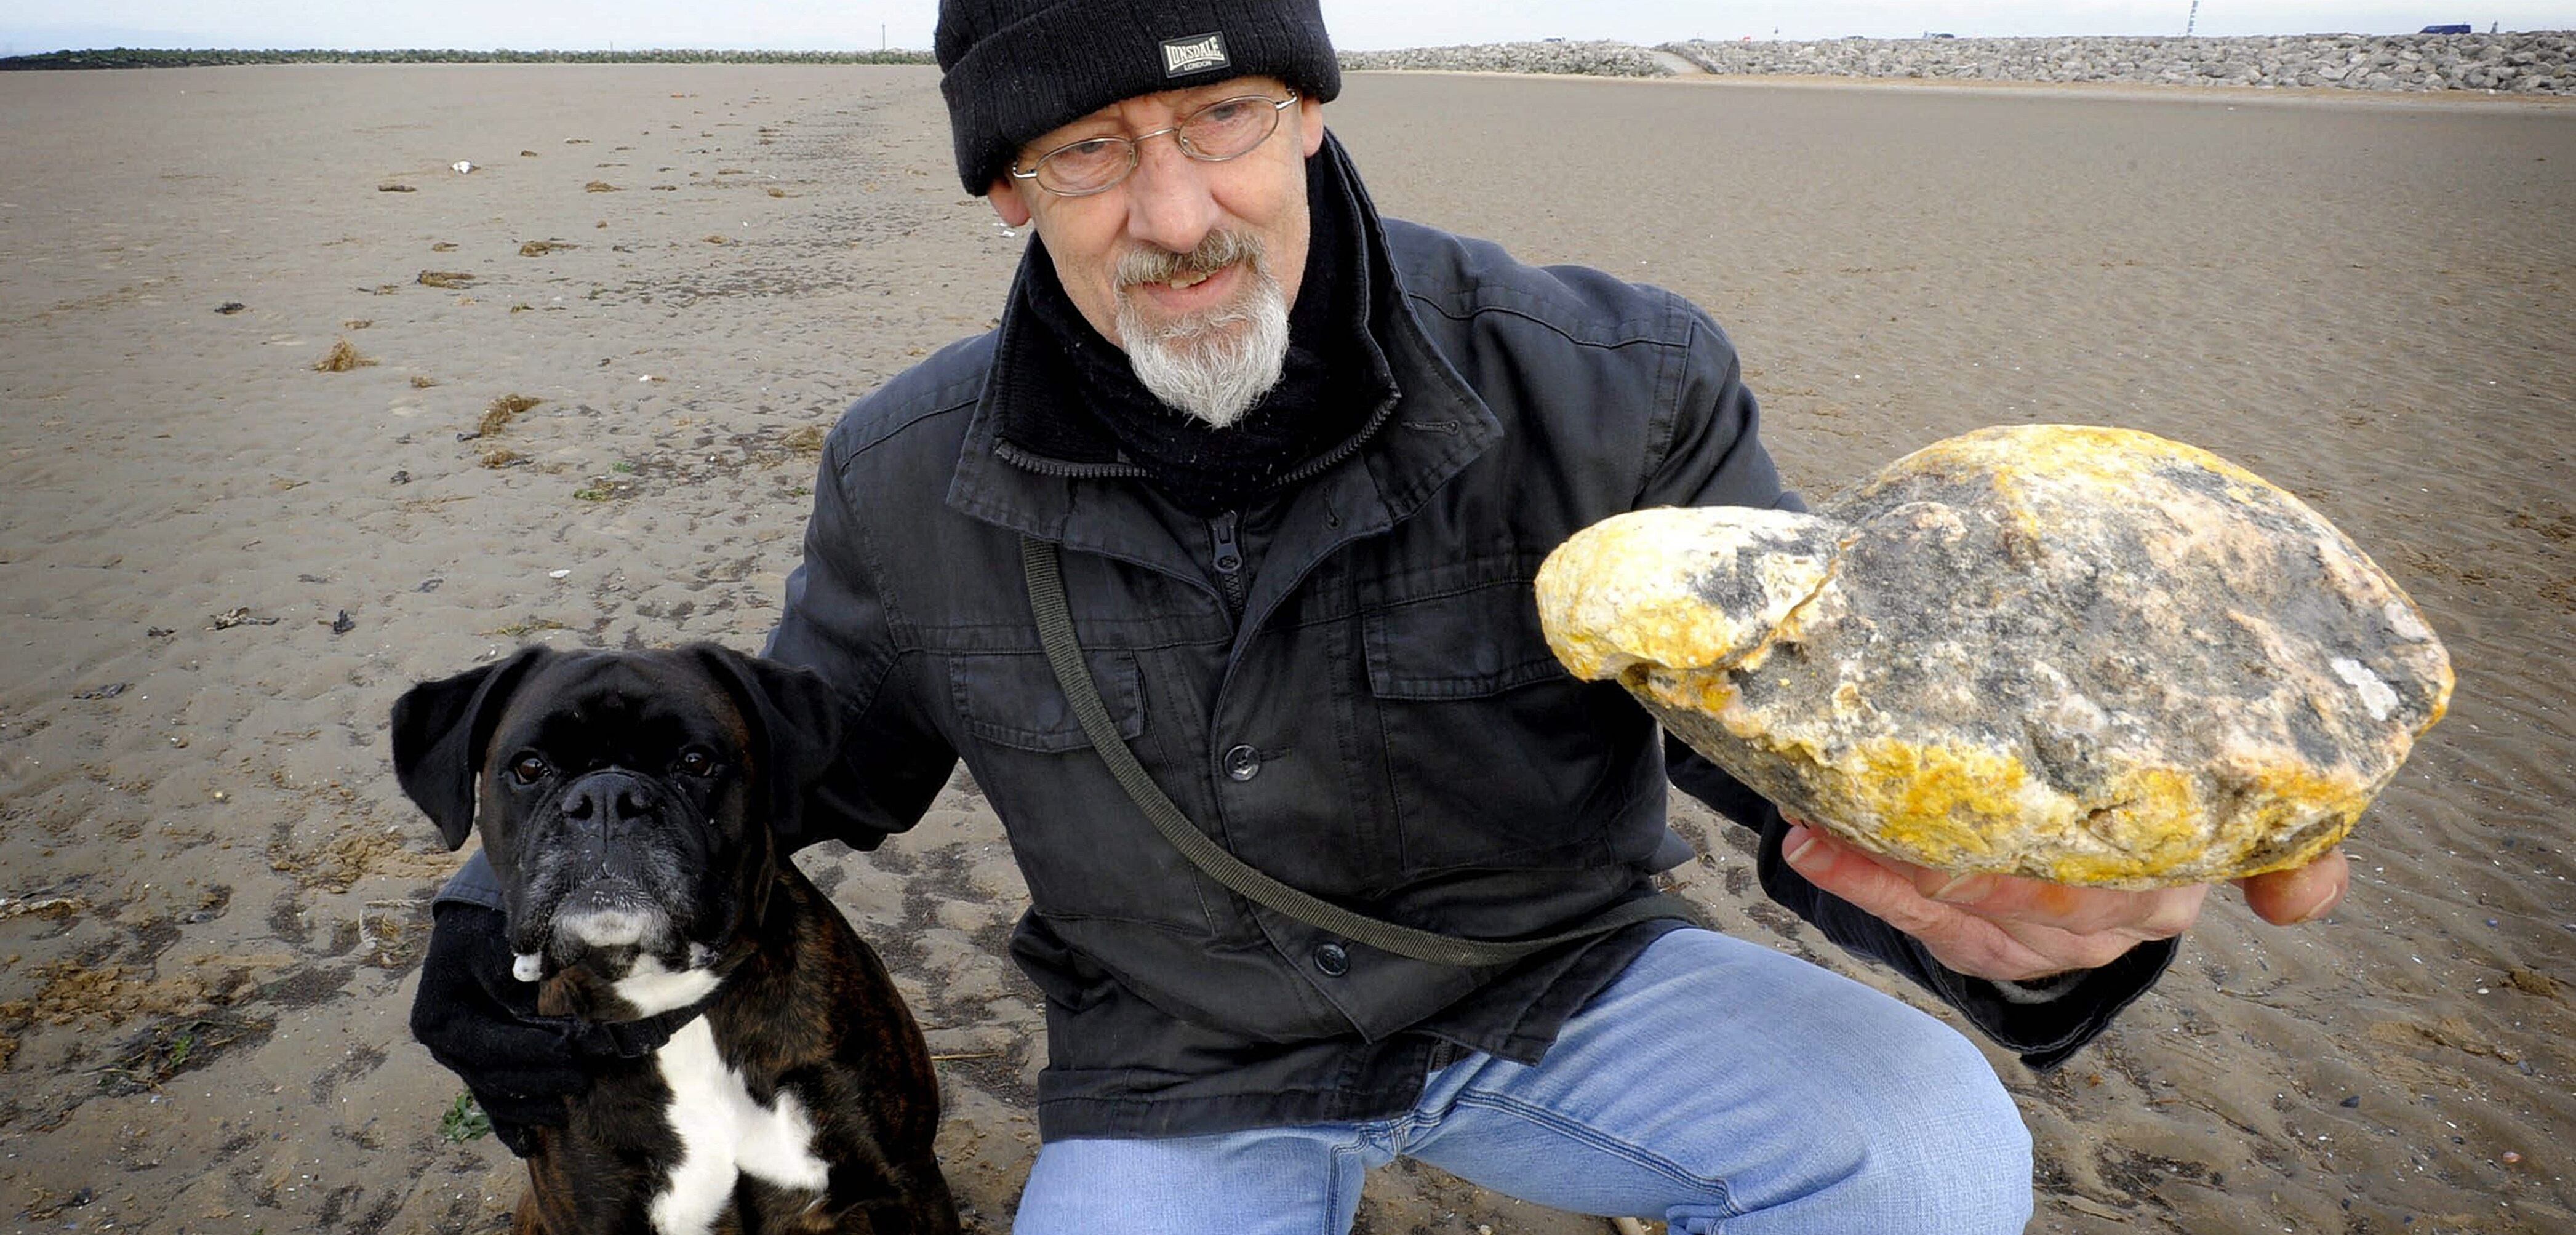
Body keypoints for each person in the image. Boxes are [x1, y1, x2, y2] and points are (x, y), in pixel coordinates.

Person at [411, 2, 2352, 1231]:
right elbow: (791, 756)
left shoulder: (1613, 377)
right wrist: (504, 904)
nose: (1175, 210)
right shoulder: (902, 472)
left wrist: (2019, 919)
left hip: (1566, 985)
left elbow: (1802, 761)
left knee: (1924, 1151)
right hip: (1177, 1065)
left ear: (1313, 112)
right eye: (1086, 150)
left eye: (1224, 118)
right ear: (1006, 190)